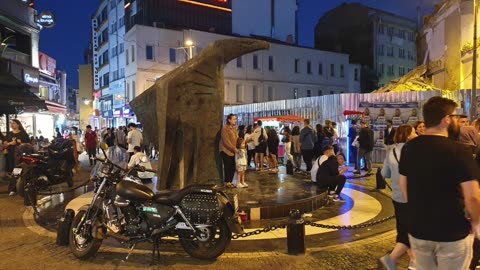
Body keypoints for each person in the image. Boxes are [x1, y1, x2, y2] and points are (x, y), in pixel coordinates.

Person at [399, 96, 480, 270]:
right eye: (456, 117)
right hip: (452, 231)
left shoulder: (409, 148)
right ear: (446, 120)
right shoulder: (459, 151)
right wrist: (476, 222)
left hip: (419, 230)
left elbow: (403, 185)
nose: (458, 121)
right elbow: (472, 196)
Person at [379, 125, 417, 270]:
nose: (416, 133)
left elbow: (384, 173)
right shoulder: (415, 151)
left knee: (403, 230)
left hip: (397, 196)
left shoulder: (392, 152)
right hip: (412, 197)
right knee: (412, 231)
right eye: (414, 131)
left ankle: (407, 261)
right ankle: (408, 261)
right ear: (408, 135)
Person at [4, 119, 30, 195]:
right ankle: (16, 188)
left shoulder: (23, 134)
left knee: (17, 170)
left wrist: (20, 142)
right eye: (11, 123)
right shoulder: (9, 134)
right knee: (12, 170)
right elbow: (5, 143)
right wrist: (8, 145)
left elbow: (28, 144)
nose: (12, 125)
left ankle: (14, 189)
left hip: (20, 155)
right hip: (10, 155)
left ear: (18, 124)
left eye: (14, 123)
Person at [219, 114, 238, 188]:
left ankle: (230, 181)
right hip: (225, 150)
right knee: (227, 166)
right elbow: (226, 141)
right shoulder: (225, 128)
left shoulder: (234, 128)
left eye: (235, 119)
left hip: (233, 151)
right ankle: (227, 182)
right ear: (229, 120)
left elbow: (236, 138)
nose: (235, 120)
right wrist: (233, 148)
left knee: (233, 166)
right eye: (233, 119)